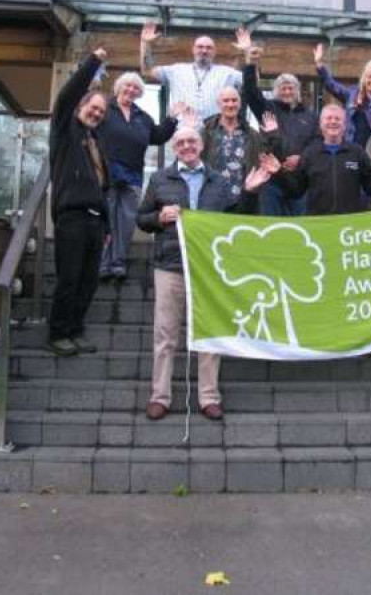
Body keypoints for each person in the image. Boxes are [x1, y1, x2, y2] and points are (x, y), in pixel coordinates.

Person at [136, 126, 273, 421]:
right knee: (165, 333)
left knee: (209, 333)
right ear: (174, 147)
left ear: (201, 146)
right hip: (169, 264)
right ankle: (160, 396)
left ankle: (209, 396)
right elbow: (141, 219)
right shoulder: (160, 179)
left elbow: (236, 221)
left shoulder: (218, 181)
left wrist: (249, 192)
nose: (186, 146)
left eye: (192, 141)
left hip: (208, 267)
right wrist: (158, 218)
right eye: (181, 142)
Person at [47, 48, 111, 357]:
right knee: (69, 278)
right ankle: (58, 333)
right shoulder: (65, 129)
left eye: (101, 112)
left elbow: (102, 187)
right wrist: (94, 62)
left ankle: (76, 329)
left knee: (88, 281)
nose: (97, 114)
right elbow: (66, 96)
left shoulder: (95, 142)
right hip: (71, 217)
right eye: (93, 108)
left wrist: (107, 223)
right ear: (80, 107)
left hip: (95, 220)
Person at [95, 71, 188, 280]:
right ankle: (102, 263)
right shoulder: (104, 108)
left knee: (126, 221)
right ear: (118, 87)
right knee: (106, 218)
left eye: (136, 88)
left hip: (132, 175)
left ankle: (118, 262)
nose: (131, 90)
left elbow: (158, 136)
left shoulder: (143, 117)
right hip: (105, 173)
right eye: (127, 86)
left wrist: (172, 119)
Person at [236, 32, 317, 216]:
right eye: (283, 88)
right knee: (271, 227)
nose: (287, 91)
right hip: (272, 181)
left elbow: (316, 144)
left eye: (291, 88)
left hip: (299, 181)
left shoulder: (310, 116)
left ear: (297, 92)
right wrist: (250, 63)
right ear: (275, 91)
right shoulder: (268, 108)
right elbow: (250, 92)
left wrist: (301, 159)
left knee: (299, 229)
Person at [268, 103, 371, 215]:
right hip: (319, 224)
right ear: (321, 124)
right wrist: (279, 173)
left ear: (344, 125)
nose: (333, 122)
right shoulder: (310, 153)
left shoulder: (357, 152)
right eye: (328, 118)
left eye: (337, 119)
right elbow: (296, 191)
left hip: (350, 224)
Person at [140, 22, 244, 121]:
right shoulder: (176, 70)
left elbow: (252, 82)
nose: (204, 51)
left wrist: (247, 51)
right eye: (200, 47)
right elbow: (147, 71)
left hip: (213, 133)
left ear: (214, 52)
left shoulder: (226, 73)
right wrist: (145, 43)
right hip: (182, 132)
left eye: (209, 48)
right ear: (193, 49)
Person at [200, 85, 280, 199]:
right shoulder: (206, 132)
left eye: (234, 100)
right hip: (212, 199)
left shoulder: (252, 134)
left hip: (243, 199)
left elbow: (266, 156)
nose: (230, 104)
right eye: (226, 101)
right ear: (218, 104)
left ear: (240, 104)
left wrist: (272, 136)